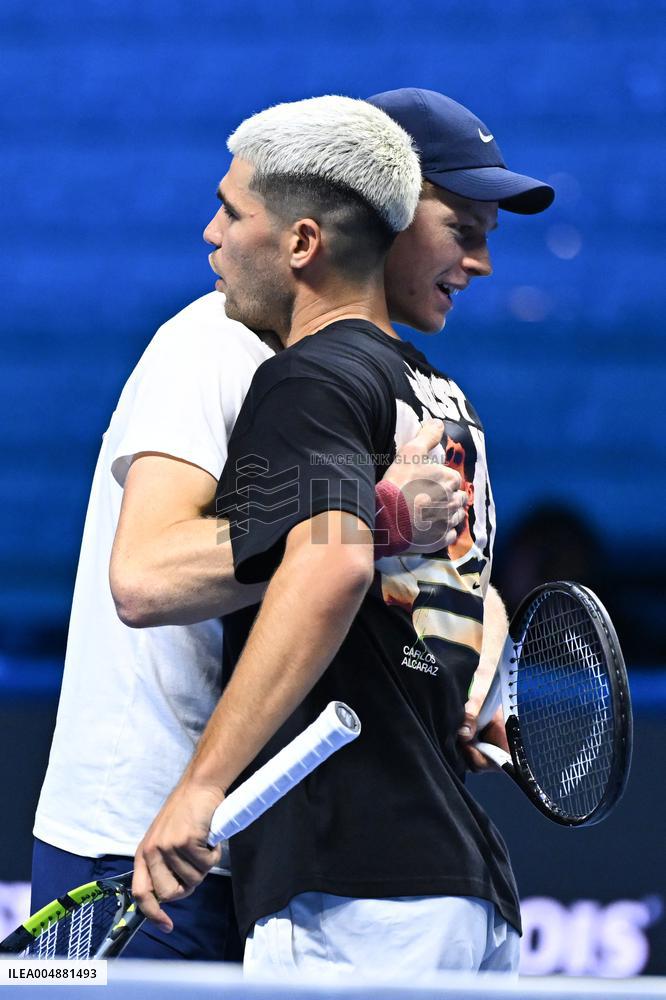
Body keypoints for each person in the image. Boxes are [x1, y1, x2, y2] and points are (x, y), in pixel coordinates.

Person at [133, 90, 554, 978]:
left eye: (232, 211)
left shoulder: (310, 379)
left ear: (302, 240)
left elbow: (329, 569)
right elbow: (441, 604)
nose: (212, 234)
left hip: (356, 883)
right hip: (459, 884)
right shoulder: (444, 400)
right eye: (462, 227)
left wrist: (200, 789)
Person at [30, 105, 466, 962]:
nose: (476, 263)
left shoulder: (391, 379)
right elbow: (147, 576)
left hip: (276, 848)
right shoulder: (212, 343)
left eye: (231, 212)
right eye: (463, 229)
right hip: (140, 836)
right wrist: (368, 522)